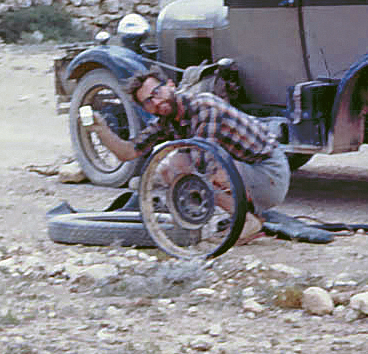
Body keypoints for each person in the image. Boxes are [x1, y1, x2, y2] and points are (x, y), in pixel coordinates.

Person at [85, 66, 291, 244]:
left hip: (269, 173)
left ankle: (246, 221)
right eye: (148, 101)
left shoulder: (204, 107)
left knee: (194, 167)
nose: (156, 102)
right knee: (173, 166)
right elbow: (128, 152)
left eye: (157, 92)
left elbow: (205, 166)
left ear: (171, 85)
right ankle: (233, 217)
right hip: (246, 172)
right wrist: (101, 130)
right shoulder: (167, 121)